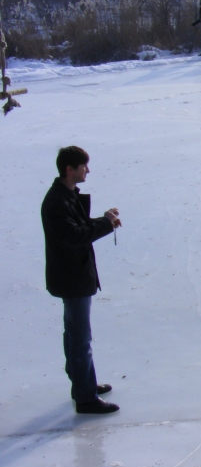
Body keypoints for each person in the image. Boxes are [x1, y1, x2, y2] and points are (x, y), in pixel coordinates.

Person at [41, 146, 122, 414]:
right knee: (80, 338)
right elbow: (75, 236)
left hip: (73, 275)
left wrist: (103, 220)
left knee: (75, 335)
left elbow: (79, 227)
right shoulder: (56, 202)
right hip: (71, 278)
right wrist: (104, 225)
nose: (87, 170)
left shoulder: (65, 196)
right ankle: (85, 398)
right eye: (83, 166)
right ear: (69, 169)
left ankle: (82, 384)